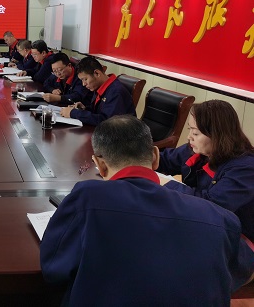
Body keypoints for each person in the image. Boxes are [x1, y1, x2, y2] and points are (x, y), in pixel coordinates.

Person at [40, 115, 254, 307]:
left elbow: (53, 270)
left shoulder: (87, 197)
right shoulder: (221, 219)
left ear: (100, 164)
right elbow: (244, 269)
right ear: (155, 157)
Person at [157, 99, 254, 241]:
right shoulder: (197, 150)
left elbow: (212, 205)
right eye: (190, 130)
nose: (189, 137)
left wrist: (166, 184)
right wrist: (138, 157)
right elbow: (164, 160)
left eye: (196, 133)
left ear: (217, 135)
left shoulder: (245, 168)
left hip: (236, 236)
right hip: (201, 222)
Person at [60, 56, 135, 125]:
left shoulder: (116, 92)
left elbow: (107, 122)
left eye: (85, 79)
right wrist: (84, 108)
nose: (83, 84)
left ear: (97, 73)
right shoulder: (100, 87)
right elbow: (99, 112)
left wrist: (74, 113)